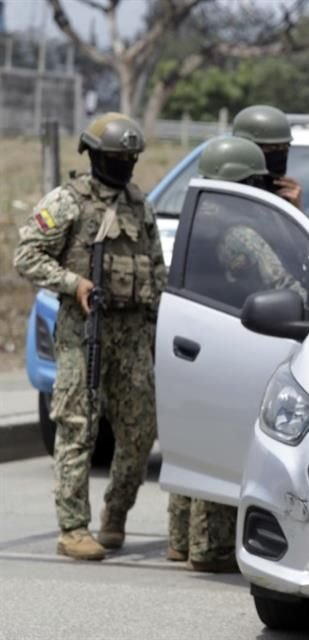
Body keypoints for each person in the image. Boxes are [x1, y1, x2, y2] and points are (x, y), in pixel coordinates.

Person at [13, 113, 165, 561]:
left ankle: (114, 515)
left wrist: (159, 323)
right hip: (84, 330)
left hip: (133, 334)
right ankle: (73, 527)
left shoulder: (140, 205)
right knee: (77, 426)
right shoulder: (68, 201)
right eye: (117, 158)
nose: (125, 167)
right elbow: (27, 254)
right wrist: (71, 283)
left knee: (140, 433)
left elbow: (155, 269)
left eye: (130, 159)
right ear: (96, 156)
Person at [166, 135, 306, 573]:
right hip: (241, 335)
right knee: (228, 444)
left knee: (197, 442)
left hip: (203, 335)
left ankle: (182, 540)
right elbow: (292, 288)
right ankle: (209, 548)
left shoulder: (205, 216)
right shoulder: (243, 231)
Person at [232, 104, 303, 210]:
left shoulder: (281, 192)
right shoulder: (223, 191)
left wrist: (294, 209)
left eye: (285, 147)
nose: (281, 153)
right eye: (273, 147)